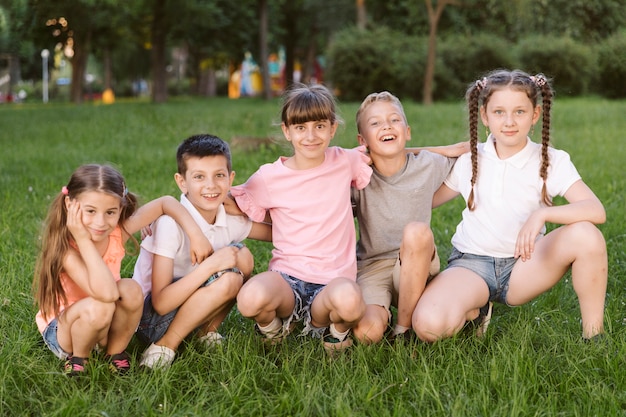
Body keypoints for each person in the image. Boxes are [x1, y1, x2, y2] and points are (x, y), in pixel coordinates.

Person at [412, 69, 607, 342]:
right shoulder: (470, 158)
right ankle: (476, 310)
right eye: (499, 112)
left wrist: (543, 214)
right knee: (429, 326)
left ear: (535, 114)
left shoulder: (551, 159)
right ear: (484, 116)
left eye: (519, 112)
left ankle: (593, 335)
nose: (509, 121)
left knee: (587, 235)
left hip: (526, 265)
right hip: (471, 265)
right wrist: (440, 151)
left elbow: (595, 210)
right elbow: (423, 201)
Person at [230, 83, 372, 354]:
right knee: (249, 299)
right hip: (287, 279)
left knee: (351, 301)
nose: (310, 136)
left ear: (332, 128)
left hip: (334, 281)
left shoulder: (345, 161)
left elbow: (389, 154)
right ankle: (274, 329)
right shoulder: (268, 177)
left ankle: (333, 335)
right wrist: (171, 214)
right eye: (300, 128)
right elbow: (227, 200)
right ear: (287, 131)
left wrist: (450, 150)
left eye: (319, 126)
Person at [33, 164, 211, 376]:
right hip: (65, 333)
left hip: (103, 322)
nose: (100, 222)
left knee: (131, 289)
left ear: (120, 207)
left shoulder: (117, 232)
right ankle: (79, 358)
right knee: (101, 306)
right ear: (70, 205)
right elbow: (106, 294)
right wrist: (82, 239)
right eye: (90, 211)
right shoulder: (65, 250)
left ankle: (114, 353)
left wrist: (196, 235)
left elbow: (166, 203)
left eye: (110, 212)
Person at [133, 134, 272, 370]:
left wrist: (246, 208)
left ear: (231, 179)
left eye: (219, 176)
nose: (210, 186)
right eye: (199, 177)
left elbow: (284, 233)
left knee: (243, 257)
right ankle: (165, 346)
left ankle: (206, 332)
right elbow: (161, 303)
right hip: (149, 322)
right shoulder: (169, 224)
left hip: (190, 308)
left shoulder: (228, 217)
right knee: (230, 277)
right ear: (182, 182)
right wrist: (211, 265)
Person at [350, 91, 468, 345]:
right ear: (362, 140)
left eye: (394, 120)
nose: (386, 126)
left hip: (418, 260)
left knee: (416, 231)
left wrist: (441, 150)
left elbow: (474, 152)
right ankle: (387, 315)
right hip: (373, 266)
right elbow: (330, 162)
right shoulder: (356, 175)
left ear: (407, 131)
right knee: (367, 333)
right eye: (375, 123)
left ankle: (403, 331)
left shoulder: (427, 164)